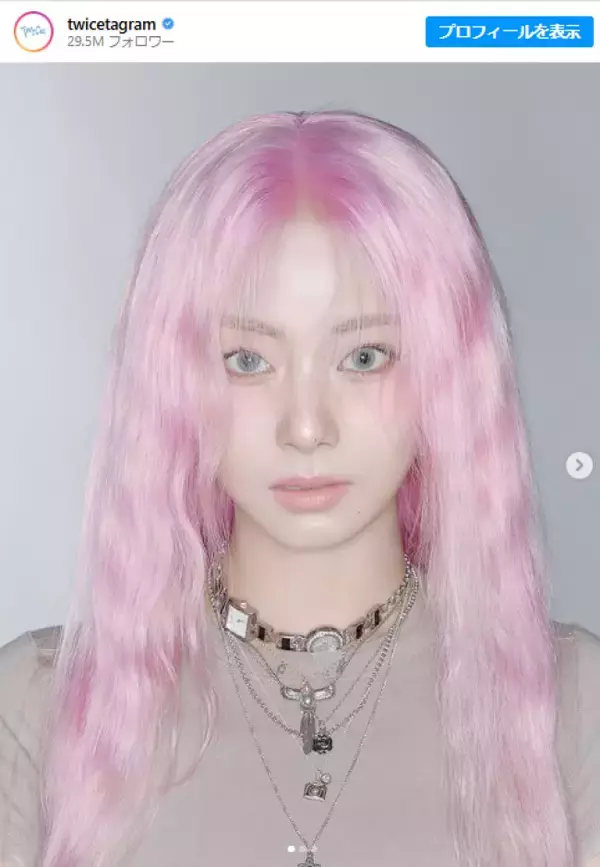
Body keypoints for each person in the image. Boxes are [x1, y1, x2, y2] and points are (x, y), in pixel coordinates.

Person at [0, 110, 599, 867]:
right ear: (174, 383)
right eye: (248, 361)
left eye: (366, 356)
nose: (307, 427)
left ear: (448, 375)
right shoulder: (39, 708)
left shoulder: (569, 710)